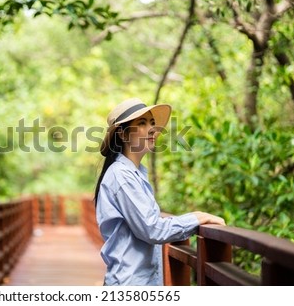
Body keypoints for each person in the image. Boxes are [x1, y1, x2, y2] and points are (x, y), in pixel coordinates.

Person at [94, 97, 225, 286]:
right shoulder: (121, 176)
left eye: (153, 123)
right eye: (142, 123)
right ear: (123, 135)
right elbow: (152, 229)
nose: (152, 129)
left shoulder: (135, 173)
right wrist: (195, 218)